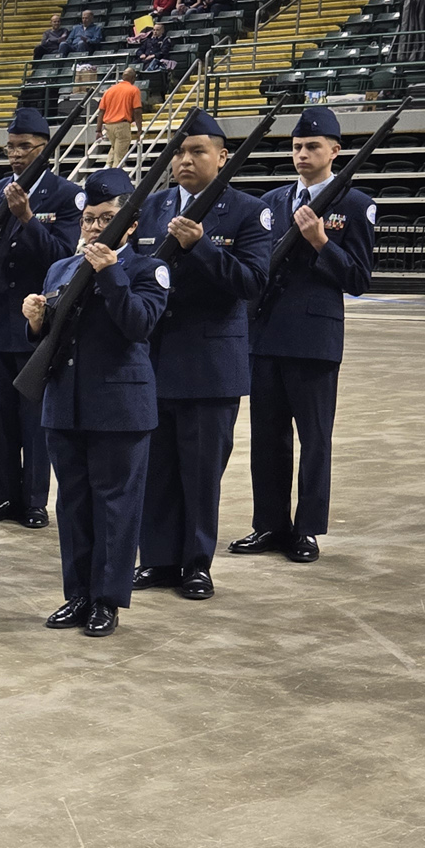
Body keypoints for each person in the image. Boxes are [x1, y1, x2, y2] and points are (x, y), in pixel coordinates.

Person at [130, 109, 274, 601]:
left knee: (200, 471)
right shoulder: (150, 208)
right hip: (152, 358)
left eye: (197, 151)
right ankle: (157, 559)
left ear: (222, 157)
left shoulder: (248, 211)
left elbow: (253, 282)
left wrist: (203, 247)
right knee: (156, 469)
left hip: (210, 364)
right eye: (179, 152)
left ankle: (196, 564)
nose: (185, 160)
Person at [23, 168, 169, 637]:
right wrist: (34, 323)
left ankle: (107, 600)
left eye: (105, 218)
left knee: (116, 507)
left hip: (120, 406)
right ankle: (77, 594)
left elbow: (138, 325)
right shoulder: (61, 268)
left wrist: (110, 273)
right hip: (65, 403)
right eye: (88, 218)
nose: (92, 227)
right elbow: (51, 341)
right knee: (73, 504)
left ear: (129, 226)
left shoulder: (149, 268)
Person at [234, 105, 374, 566]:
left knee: (314, 439)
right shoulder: (271, 203)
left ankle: (307, 529)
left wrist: (320, 242)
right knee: (267, 437)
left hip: (314, 340)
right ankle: (269, 524)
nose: (302, 154)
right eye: (296, 147)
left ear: (335, 150)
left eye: (312, 146)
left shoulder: (353, 204)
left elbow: (358, 278)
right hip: (267, 334)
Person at [0, 107, 81, 530]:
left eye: (25, 147)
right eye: (11, 147)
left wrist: (27, 219)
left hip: (40, 317)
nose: (16, 155)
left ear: (45, 149)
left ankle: (34, 498)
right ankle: (3, 495)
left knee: (34, 415)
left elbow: (61, 257)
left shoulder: (65, 194)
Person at [98, 67, 143, 166]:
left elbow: (101, 111)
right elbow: (137, 110)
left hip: (108, 126)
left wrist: (98, 130)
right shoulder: (133, 90)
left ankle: (107, 167)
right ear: (133, 78)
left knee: (115, 148)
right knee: (120, 158)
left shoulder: (109, 90)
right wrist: (139, 128)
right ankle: (113, 177)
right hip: (122, 125)